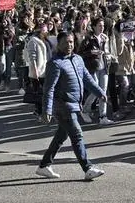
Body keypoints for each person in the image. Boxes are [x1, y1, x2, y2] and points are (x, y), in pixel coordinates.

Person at [35, 31, 106, 181]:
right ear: (58, 44)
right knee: (77, 135)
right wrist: (46, 109)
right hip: (63, 106)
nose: (69, 45)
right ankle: (87, 168)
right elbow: (49, 89)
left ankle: (44, 165)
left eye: (72, 42)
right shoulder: (55, 63)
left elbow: (87, 79)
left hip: (75, 104)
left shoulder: (78, 59)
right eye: (66, 42)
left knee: (61, 136)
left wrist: (100, 93)